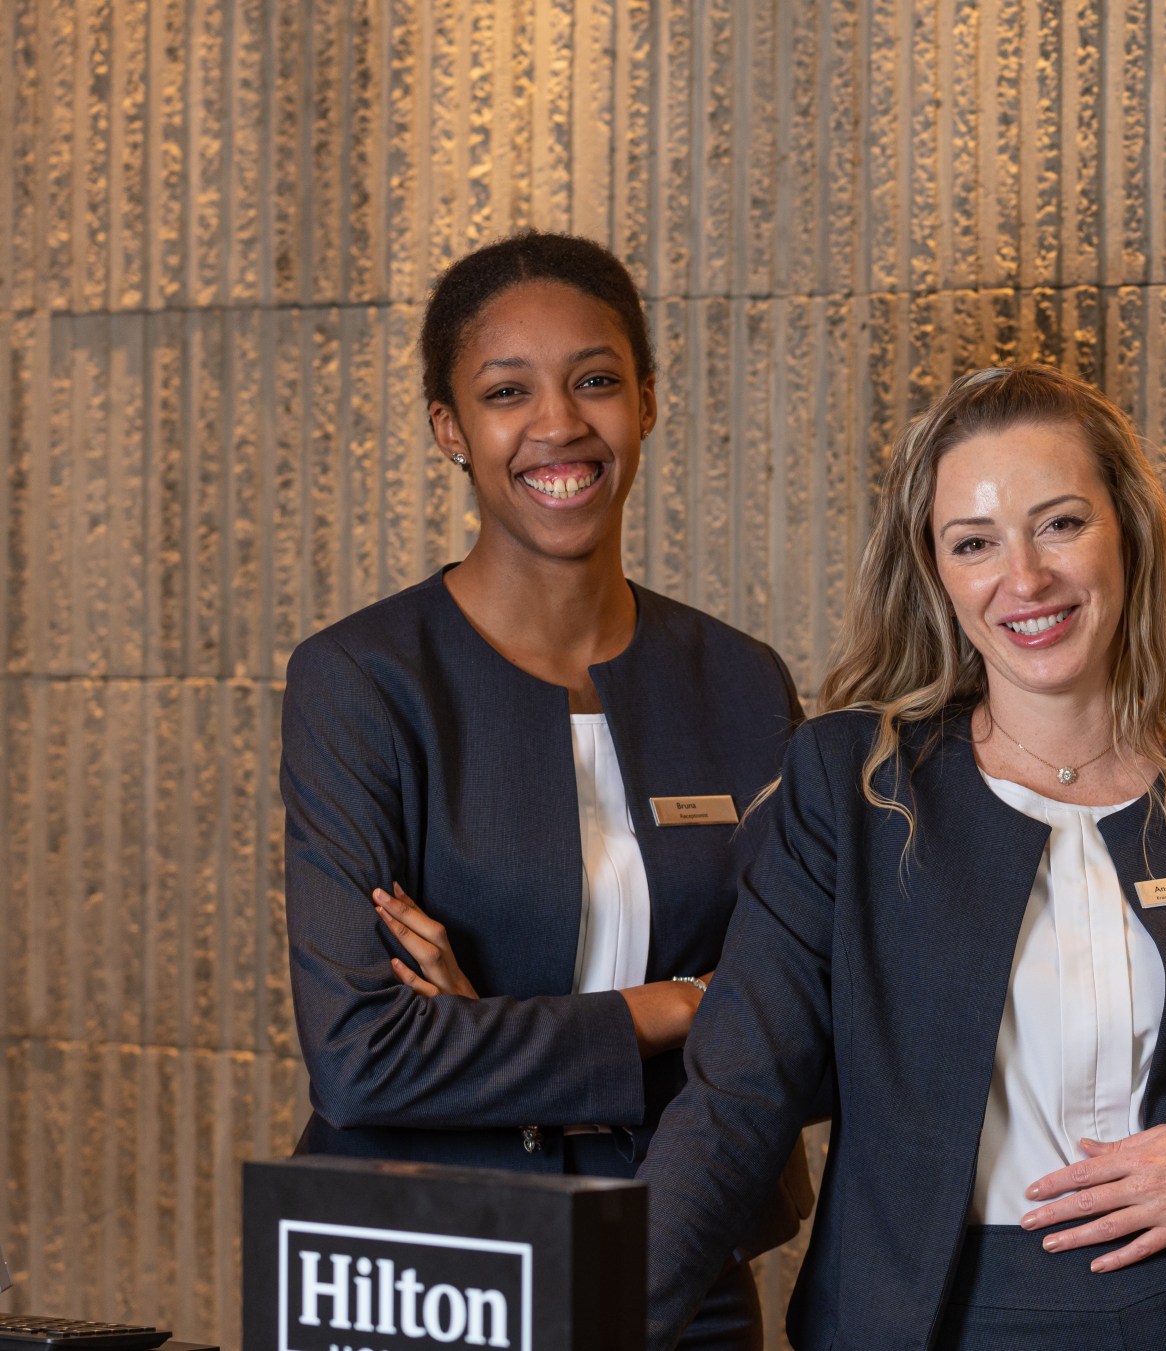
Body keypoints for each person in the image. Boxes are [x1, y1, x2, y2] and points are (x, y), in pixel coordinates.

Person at [635, 363, 1166, 1350]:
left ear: (1129, 528)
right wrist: (593, 1315)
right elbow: (736, 1101)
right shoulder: (854, 786)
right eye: (975, 542)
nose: (1024, 577)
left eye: (1061, 523)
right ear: (938, 574)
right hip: (931, 1320)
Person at [279, 230, 803, 1350]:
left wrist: (488, 1026)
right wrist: (674, 1007)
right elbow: (362, 1055)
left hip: (681, 1253)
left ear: (648, 404)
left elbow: (796, 1020)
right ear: (449, 430)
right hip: (418, 1265)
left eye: (597, 380)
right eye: (506, 391)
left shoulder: (742, 682)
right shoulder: (361, 680)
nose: (559, 424)